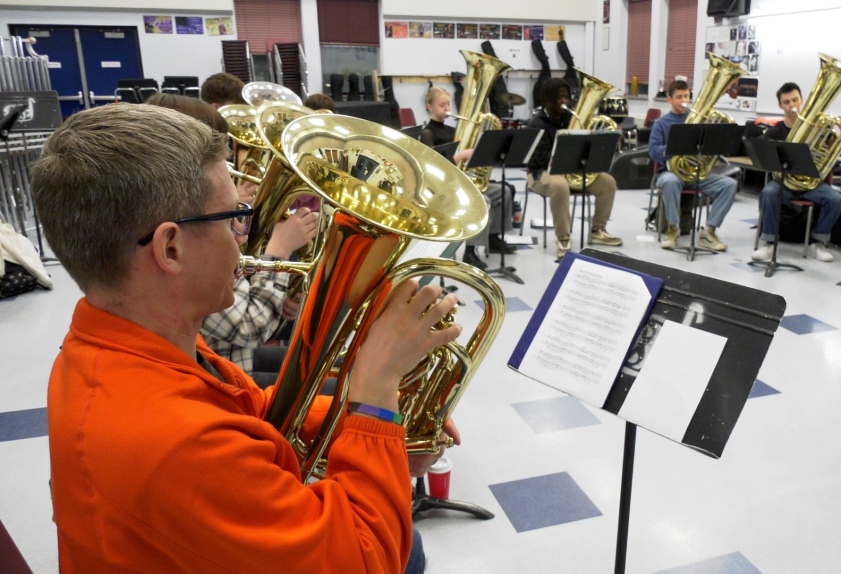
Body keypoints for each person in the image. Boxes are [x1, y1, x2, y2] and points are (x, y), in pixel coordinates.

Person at [31, 104, 457, 572]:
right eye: (233, 217)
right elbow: (366, 560)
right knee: (409, 551)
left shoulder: (125, 339)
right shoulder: (178, 444)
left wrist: (392, 429)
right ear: (170, 248)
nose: (243, 238)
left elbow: (252, 412)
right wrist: (376, 390)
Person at [146, 93, 319, 373]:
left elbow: (239, 286)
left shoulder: (198, 224)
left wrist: (281, 293)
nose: (228, 162)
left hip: (234, 357)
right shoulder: (189, 236)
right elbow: (250, 325)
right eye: (219, 155)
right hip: (228, 366)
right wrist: (278, 253)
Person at [751, 82, 841, 263]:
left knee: (836, 200)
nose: (792, 105)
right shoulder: (775, 131)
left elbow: (839, 147)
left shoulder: (817, 128)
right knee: (768, 192)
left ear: (802, 100)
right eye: (787, 102)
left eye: (795, 100)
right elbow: (761, 152)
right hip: (784, 183)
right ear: (780, 106)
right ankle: (769, 244)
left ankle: (817, 243)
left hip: (812, 183)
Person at [526, 78, 623, 260]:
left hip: (573, 170)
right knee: (561, 186)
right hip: (541, 174)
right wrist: (564, 153)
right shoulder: (537, 124)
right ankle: (563, 238)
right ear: (548, 98)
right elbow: (539, 157)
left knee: (608, 182)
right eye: (559, 97)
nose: (564, 100)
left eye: (566, 96)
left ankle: (597, 230)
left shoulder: (572, 119)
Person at [421, 86, 516, 270]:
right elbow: (432, 168)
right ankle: (470, 252)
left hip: (465, 181)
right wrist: (459, 156)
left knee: (503, 191)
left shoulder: (454, 130)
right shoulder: (427, 133)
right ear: (430, 106)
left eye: (448, 104)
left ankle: (494, 238)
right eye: (442, 105)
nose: (447, 108)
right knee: (484, 201)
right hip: (446, 188)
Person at [647, 79, 738, 251]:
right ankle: (673, 229)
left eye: (686, 96)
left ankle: (709, 231)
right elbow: (653, 152)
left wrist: (723, 135)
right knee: (670, 182)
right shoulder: (661, 123)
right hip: (671, 172)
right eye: (679, 97)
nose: (683, 100)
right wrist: (676, 147)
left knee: (729, 185)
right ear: (669, 99)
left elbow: (713, 150)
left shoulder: (701, 120)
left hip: (697, 174)